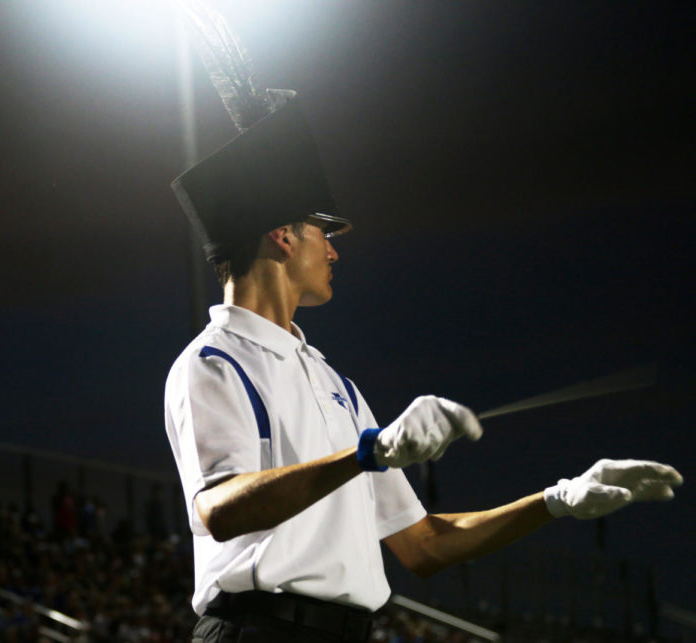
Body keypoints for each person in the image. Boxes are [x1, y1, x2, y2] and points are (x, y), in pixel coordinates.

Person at [163, 90, 683, 643]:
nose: (335, 252)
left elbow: (425, 545)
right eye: (325, 233)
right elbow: (218, 508)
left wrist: (558, 500)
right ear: (284, 236)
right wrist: (368, 452)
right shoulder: (212, 360)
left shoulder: (335, 383)